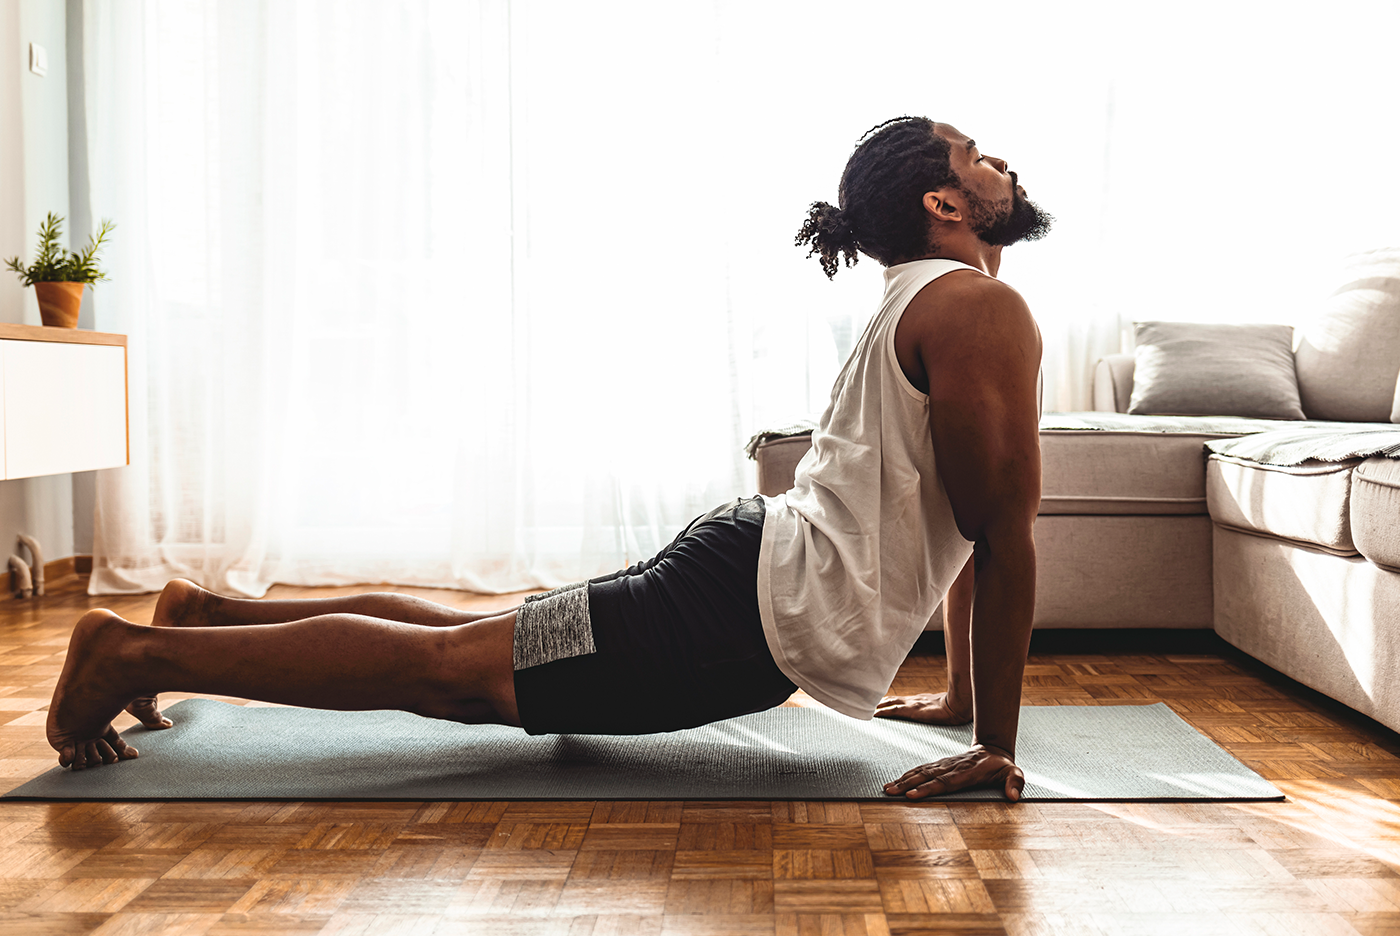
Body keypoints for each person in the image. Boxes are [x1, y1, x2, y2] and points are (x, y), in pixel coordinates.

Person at [47, 116, 1051, 802]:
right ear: (945, 204)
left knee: (472, 641)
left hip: (743, 584)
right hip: (739, 616)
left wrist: (965, 701)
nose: (997, 160)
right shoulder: (974, 307)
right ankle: (133, 653)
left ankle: (205, 616)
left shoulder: (934, 298)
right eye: (974, 153)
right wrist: (992, 747)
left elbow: (970, 523)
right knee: (455, 674)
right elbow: (999, 537)